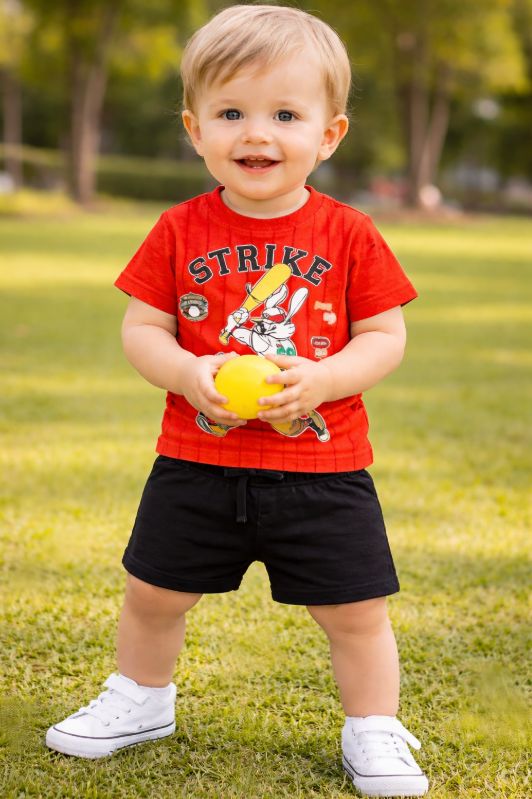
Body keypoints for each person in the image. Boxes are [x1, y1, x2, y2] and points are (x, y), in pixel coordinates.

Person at [46, 5, 428, 796]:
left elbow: (384, 336)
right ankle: (141, 697)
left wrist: (324, 380)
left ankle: (374, 726)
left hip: (323, 467)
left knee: (356, 610)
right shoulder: (178, 229)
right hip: (196, 459)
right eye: (230, 113)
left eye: (285, 114)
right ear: (195, 129)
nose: (257, 133)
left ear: (329, 135)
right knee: (154, 593)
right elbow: (142, 328)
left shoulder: (350, 233)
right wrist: (188, 373)